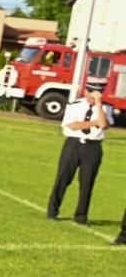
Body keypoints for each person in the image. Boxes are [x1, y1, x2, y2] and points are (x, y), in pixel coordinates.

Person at [48, 83, 107, 225]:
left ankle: (81, 215)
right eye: (91, 92)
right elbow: (72, 125)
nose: (93, 96)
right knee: (63, 177)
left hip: (93, 146)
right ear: (85, 91)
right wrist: (94, 122)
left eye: (97, 93)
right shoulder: (74, 105)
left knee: (87, 182)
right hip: (73, 144)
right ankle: (52, 211)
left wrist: (98, 105)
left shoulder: (105, 108)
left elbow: (104, 124)